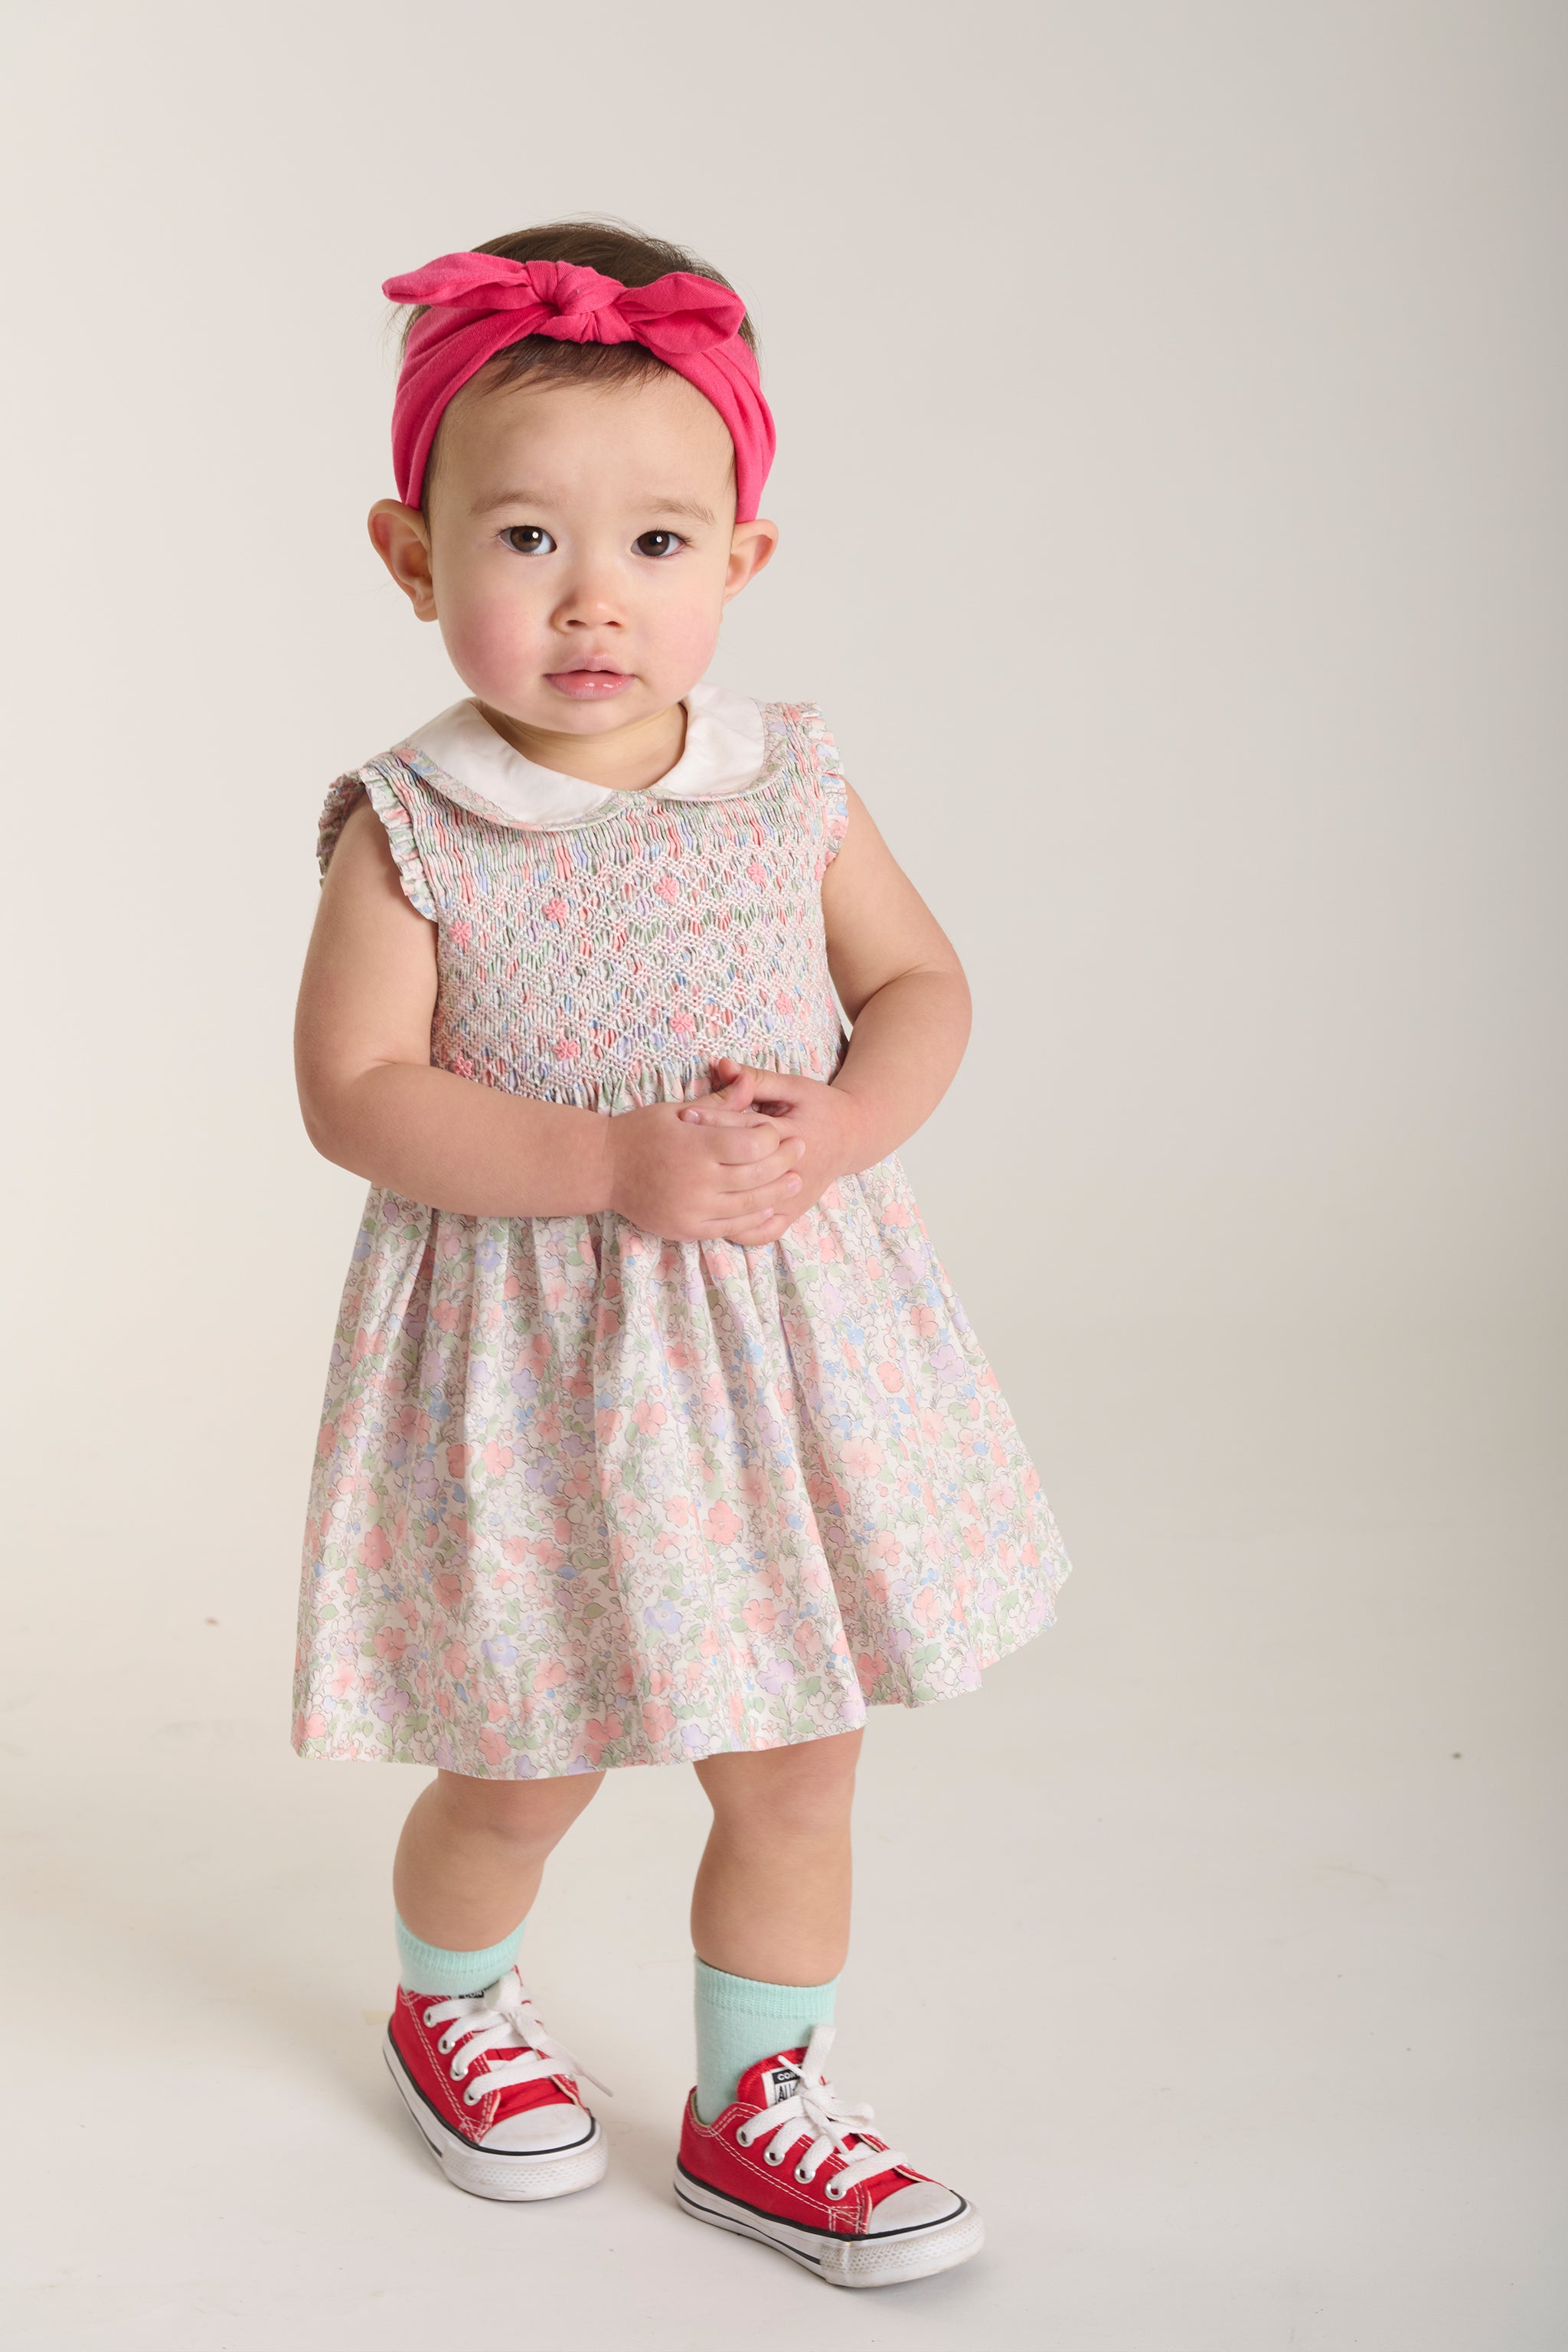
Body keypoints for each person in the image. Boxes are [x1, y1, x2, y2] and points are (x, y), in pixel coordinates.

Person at [292, 217, 1070, 2288]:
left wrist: (840, 1123)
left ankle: (760, 2102)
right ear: (410, 552)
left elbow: (920, 989)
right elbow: (358, 1092)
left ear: (743, 559)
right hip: (544, 1359)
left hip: (775, 1350)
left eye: (655, 544)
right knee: (526, 1749)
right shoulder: (414, 825)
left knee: (797, 1757)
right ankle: (449, 1996)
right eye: (525, 539)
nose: (590, 601)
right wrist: (601, 1167)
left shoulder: (789, 785)